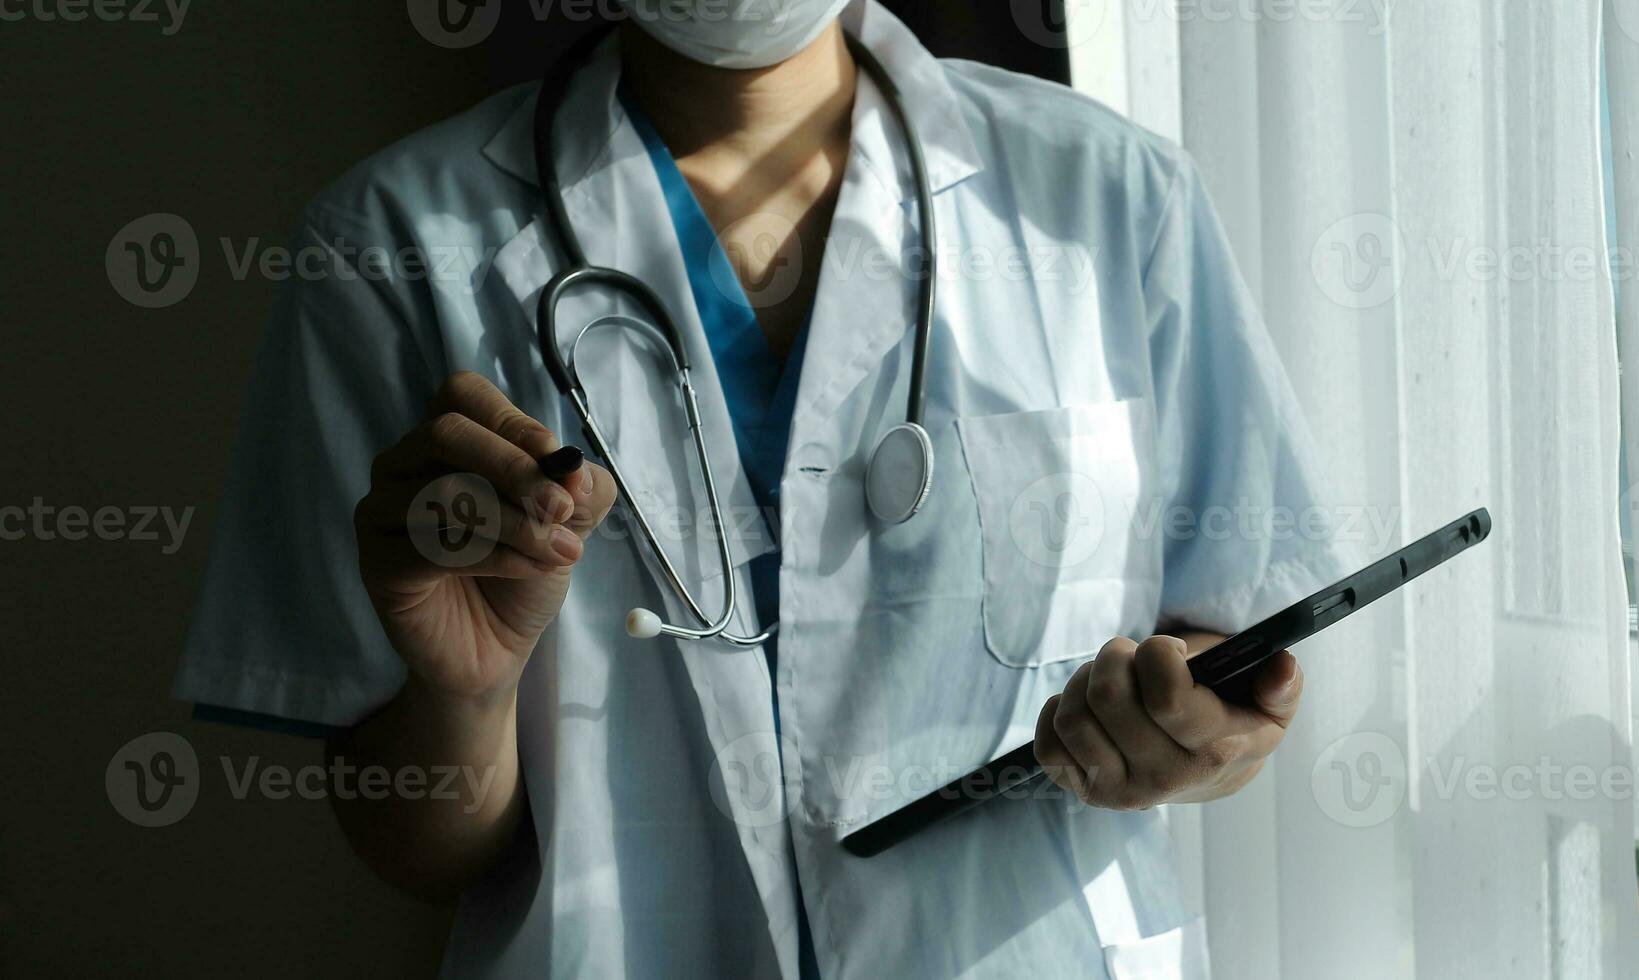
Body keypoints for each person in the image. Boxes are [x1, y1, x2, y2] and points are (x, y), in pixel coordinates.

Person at [174, 2, 1353, 976]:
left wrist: (1191, 738)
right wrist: (463, 690)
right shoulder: (388, 244)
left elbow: (1235, 668)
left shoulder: (1113, 197)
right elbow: (414, 842)